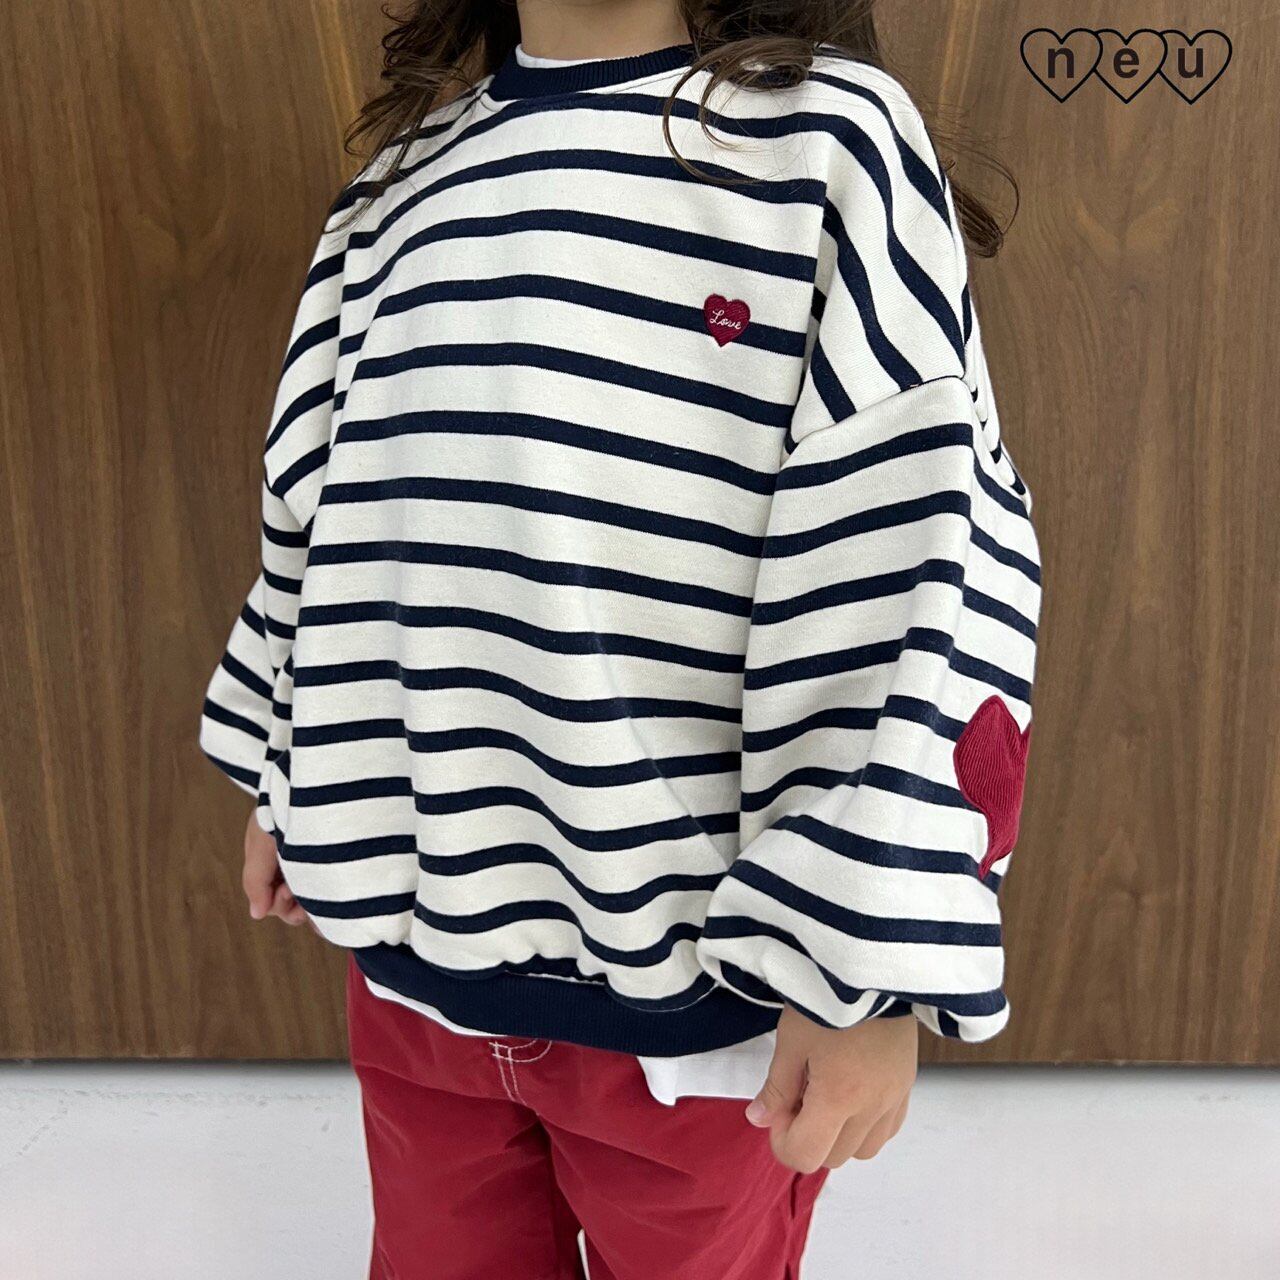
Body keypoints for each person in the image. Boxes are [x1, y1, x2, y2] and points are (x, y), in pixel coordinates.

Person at [199, 1, 1040, 1275]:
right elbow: (315, 508)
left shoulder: (825, 143)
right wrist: (287, 769)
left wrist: (860, 965)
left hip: (694, 996)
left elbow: (911, 557)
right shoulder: (399, 180)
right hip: (416, 965)